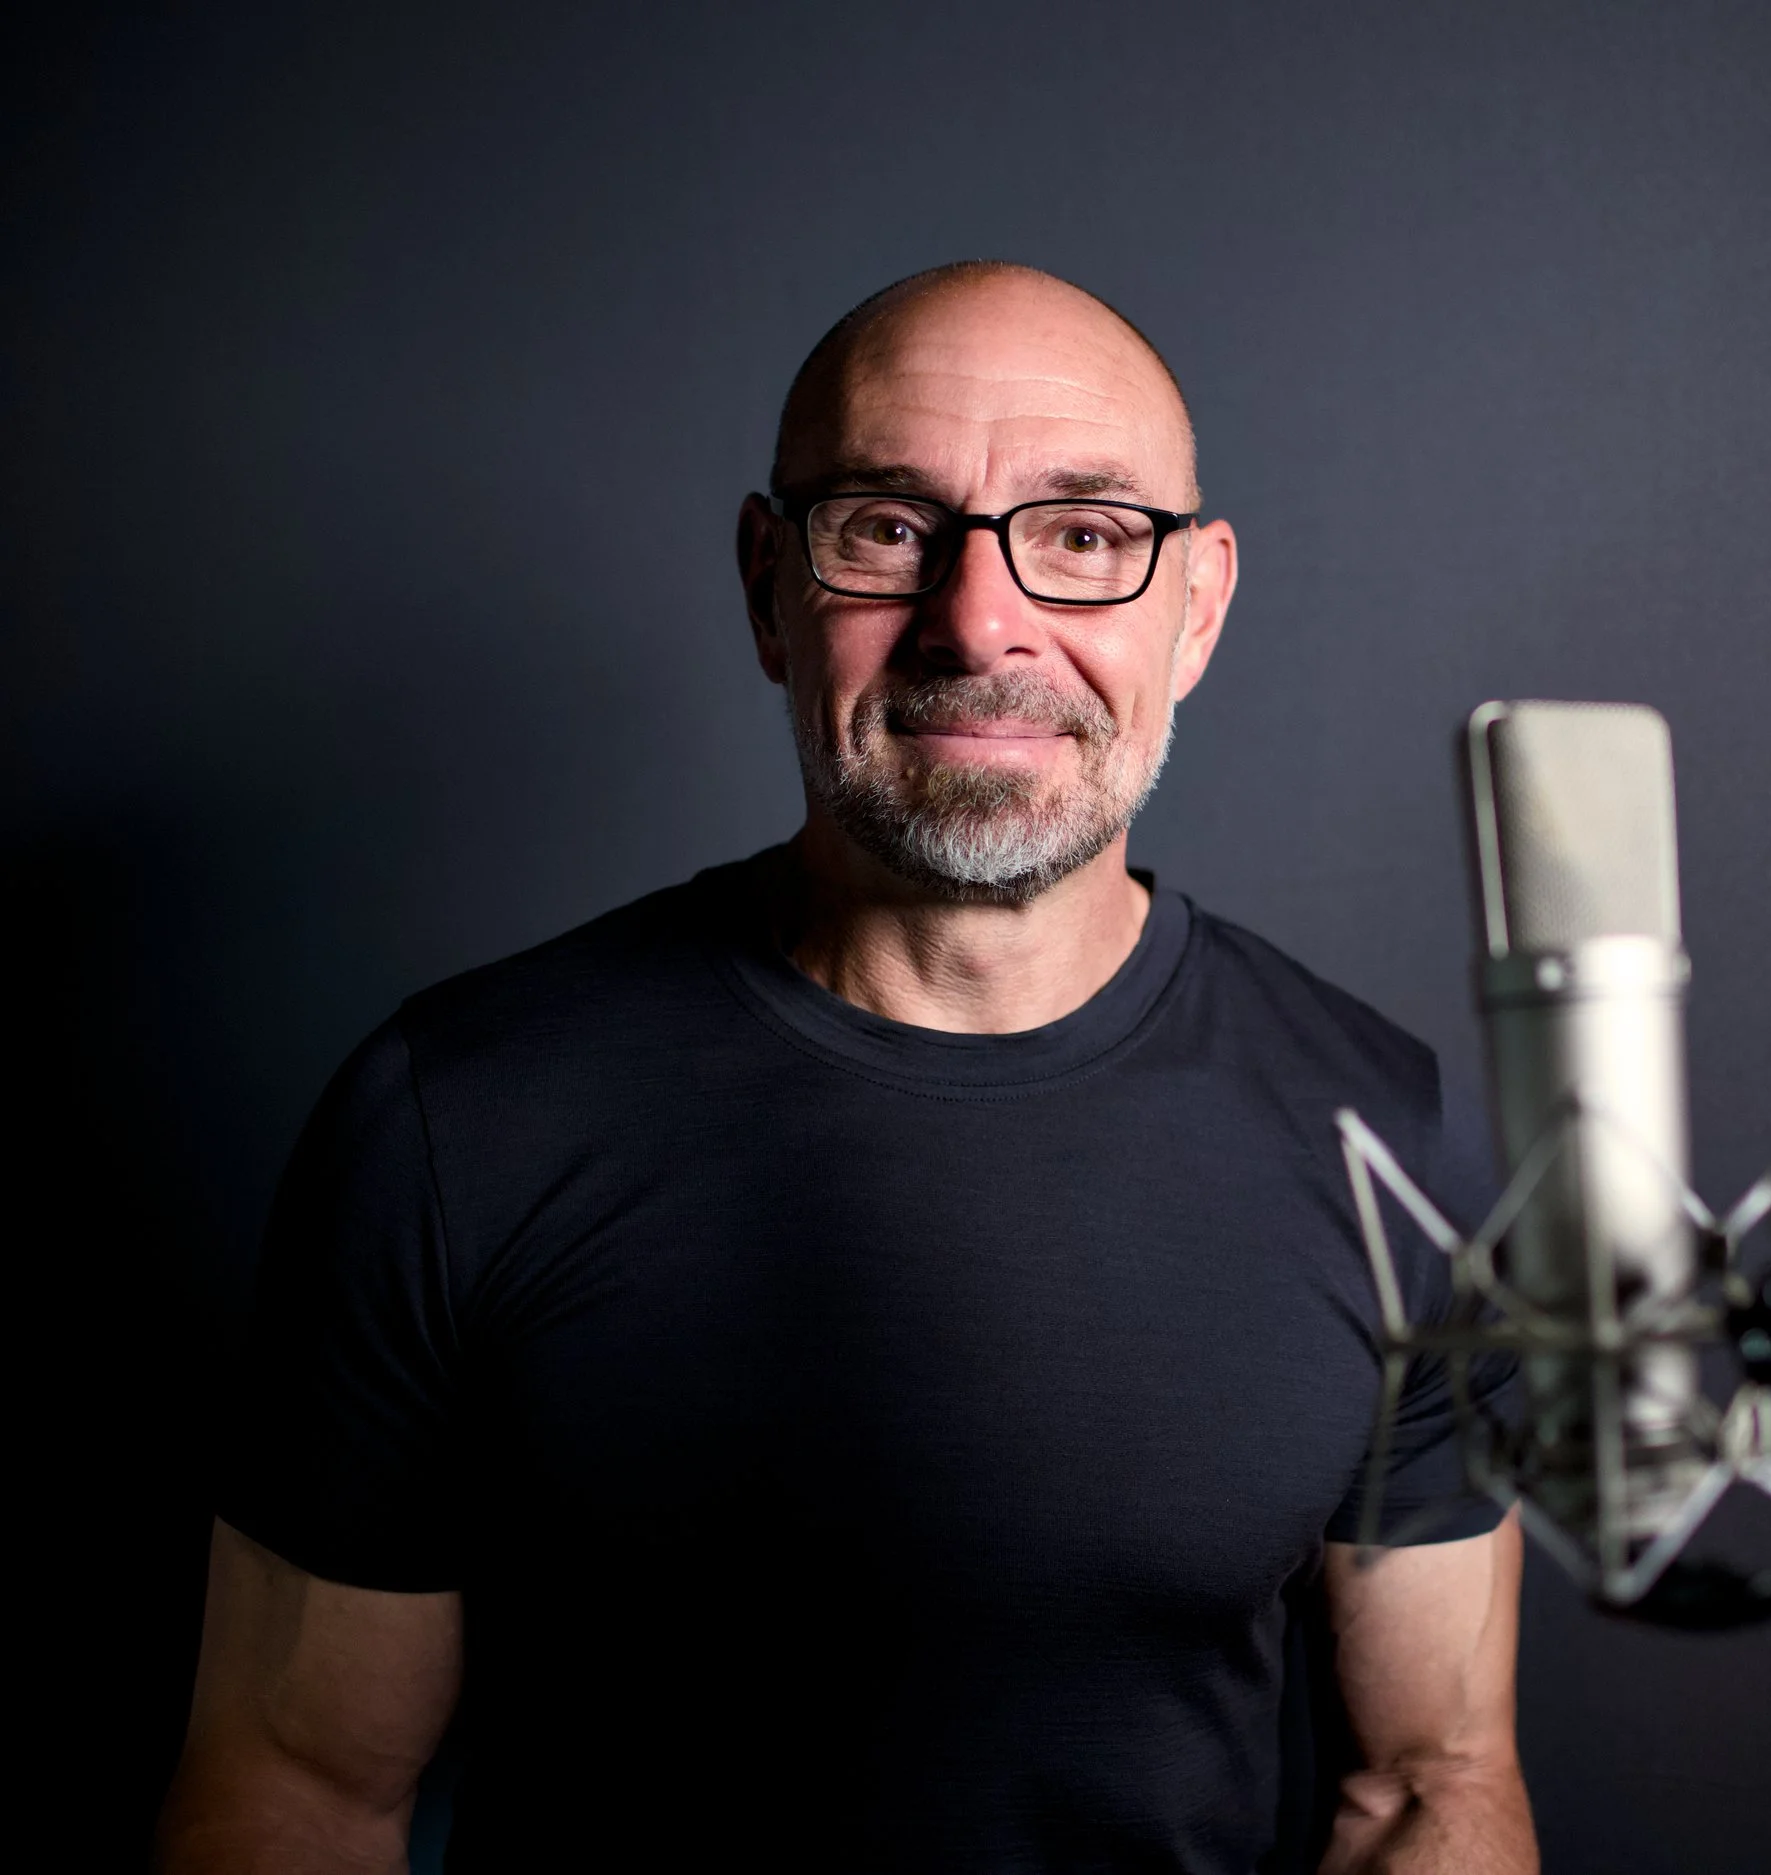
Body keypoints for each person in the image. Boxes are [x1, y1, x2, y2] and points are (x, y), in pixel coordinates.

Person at [156, 261, 1536, 1874]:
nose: (981, 620)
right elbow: (295, 1790)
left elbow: (1434, 1781)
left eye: (1083, 536)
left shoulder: (1392, 1144)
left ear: (1200, 605)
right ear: (766, 584)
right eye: (887, 526)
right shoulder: (456, 1119)